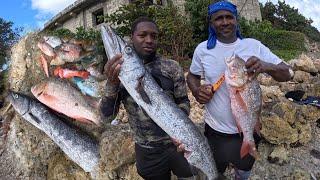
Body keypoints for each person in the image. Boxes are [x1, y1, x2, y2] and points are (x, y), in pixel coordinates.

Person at [185, 1, 294, 179]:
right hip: (215, 130)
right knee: (215, 169)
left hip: (248, 128)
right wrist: (197, 91)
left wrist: (267, 66)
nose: (225, 22)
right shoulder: (202, 49)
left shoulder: (253, 45)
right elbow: (192, 76)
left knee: (244, 170)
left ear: (236, 20)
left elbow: (288, 73)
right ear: (211, 23)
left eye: (229, 17)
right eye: (219, 18)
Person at [101, 17, 197, 180]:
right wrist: (111, 83)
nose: (149, 40)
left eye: (154, 36)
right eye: (143, 35)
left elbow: (184, 101)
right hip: (147, 151)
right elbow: (106, 117)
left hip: (178, 146)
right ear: (132, 37)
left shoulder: (171, 67)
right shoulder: (119, 74)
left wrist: (176, 127)